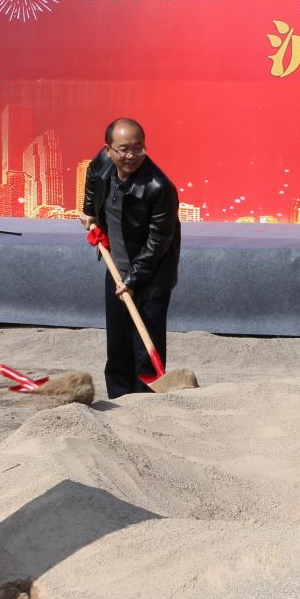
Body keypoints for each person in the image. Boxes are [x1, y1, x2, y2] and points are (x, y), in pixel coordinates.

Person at [79, 118, 181, 399]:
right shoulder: (102, 163)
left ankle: (144, 403)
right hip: (116, 268)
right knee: (118, 342)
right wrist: (90, 211)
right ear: (109, 150)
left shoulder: (159, 187)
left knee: (145, 346)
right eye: (123, 149)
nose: (131, 155)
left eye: (138, 148)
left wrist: (133, 280)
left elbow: (158, 243)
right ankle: (119, 398)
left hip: (151, 275)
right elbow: (92, 177)